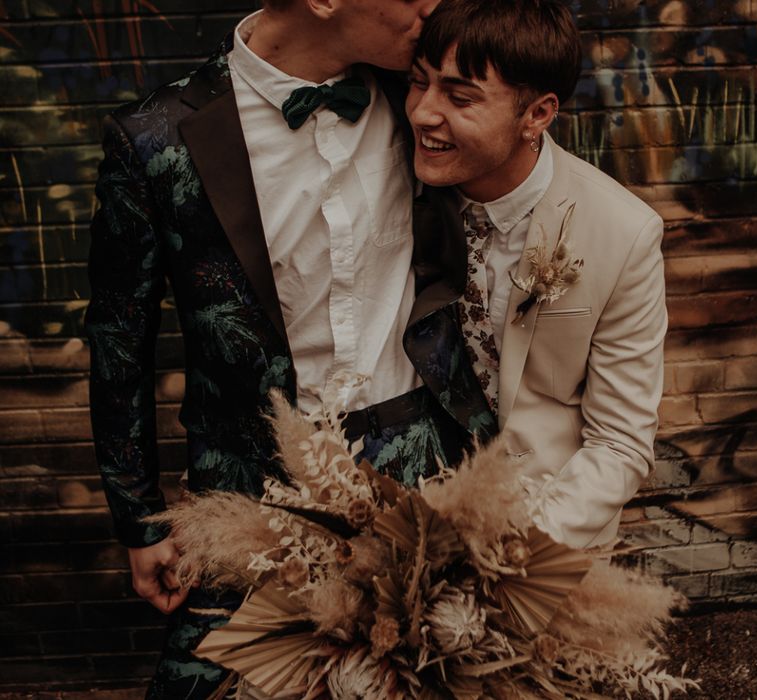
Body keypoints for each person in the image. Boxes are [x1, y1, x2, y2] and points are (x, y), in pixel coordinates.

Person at [85, 0, 500, 696]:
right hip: (250, 491)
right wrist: (136, 514)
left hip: (420, 476)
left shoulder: (425, 104)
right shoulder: (157, 141)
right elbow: (117, 345)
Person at [402, 0, 667, 549]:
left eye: (460, 97)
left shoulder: (623, 233)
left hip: (542, 537)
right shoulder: (388, 194)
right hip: (401, 529)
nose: (423, 113)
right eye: (418, 83)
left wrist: (517, 547)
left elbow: (619, 442)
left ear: (538, 115)